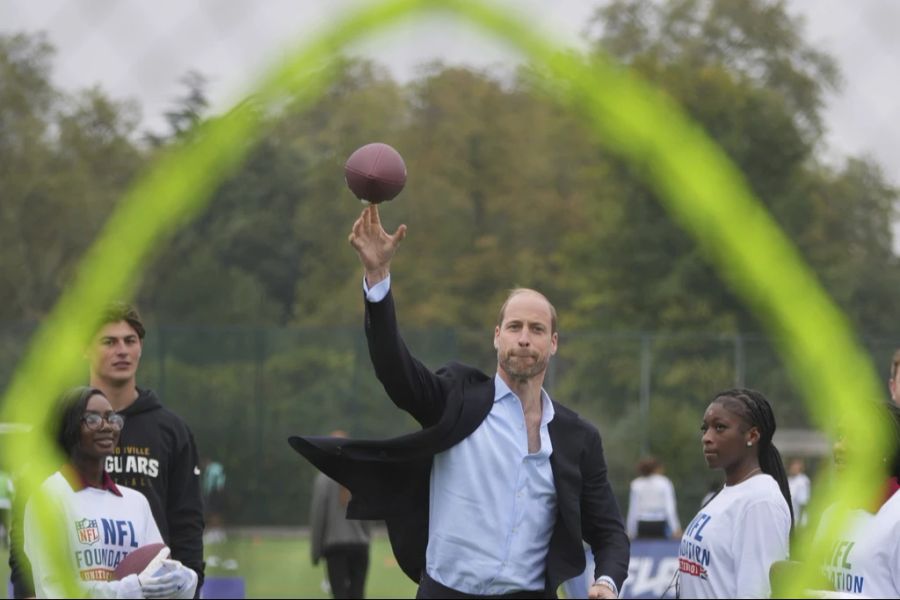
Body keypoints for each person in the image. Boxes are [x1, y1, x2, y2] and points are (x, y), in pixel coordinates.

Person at [290, 205, 630, 599]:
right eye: (515, 327)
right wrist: (378, 279)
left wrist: (606, 582)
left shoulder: (578, 437)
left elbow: (609, 533)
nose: (524, 338)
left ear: (553, 344)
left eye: (537, 329)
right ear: (497, 336)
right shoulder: (458, 399)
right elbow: (394, 370)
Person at [9, 303, 205, 598]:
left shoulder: (171, 430)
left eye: (130, 341)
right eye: (109, 342)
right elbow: (26, 517)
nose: (122, 351)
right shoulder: (56, 426)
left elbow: (186, 521)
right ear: (85, 349)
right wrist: (27, 590)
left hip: (147, 587)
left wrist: (189, 584)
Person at [24, 386, 197, 598]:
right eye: (93, 419)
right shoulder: (48, 498)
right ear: (68, 427)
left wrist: (185, 582)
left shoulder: (136, 502)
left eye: (111, 418)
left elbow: (159, 570)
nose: (107, 426)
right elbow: (55, 590)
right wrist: (130, 589)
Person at [677, 388, 793, 599]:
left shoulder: (760, 502)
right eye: (705, 428)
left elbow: (756, 593)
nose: (707, 438)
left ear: (752, 435)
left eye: (719, 428)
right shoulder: (727, 493)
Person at [309, 431, 373, 599]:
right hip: (360, 547)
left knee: (340, 595)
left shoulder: (323, 479)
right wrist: (366, 538)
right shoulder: (362, 476)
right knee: (358, 595)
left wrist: (316, 552)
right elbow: (368, 515)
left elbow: (318, 517)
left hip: (335, 549)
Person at [625, 456, 681, 540]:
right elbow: (670, 509)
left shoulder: (636, 484)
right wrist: (676, 529)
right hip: (659, 524)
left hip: (642, 524)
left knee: (642, 551)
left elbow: (633, 510)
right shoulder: (665, 482)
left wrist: (630, 531)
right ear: (657, 468)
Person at [200, 458, 226, 545]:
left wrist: (218, 487)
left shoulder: (213, 468)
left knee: (213, 512)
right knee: (215, 512)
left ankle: (215, 533)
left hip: (214, 492)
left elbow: (219, 479)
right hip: (214, 492)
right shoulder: (216, 467)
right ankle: (217, 533)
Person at [787, 457, 811, 528]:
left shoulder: (802, 480)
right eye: (793, 465)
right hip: (791, 522)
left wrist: (799, 524)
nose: (794, 468)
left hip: (799, 523)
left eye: (796, 465)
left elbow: (803, 503)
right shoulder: (789, 480)